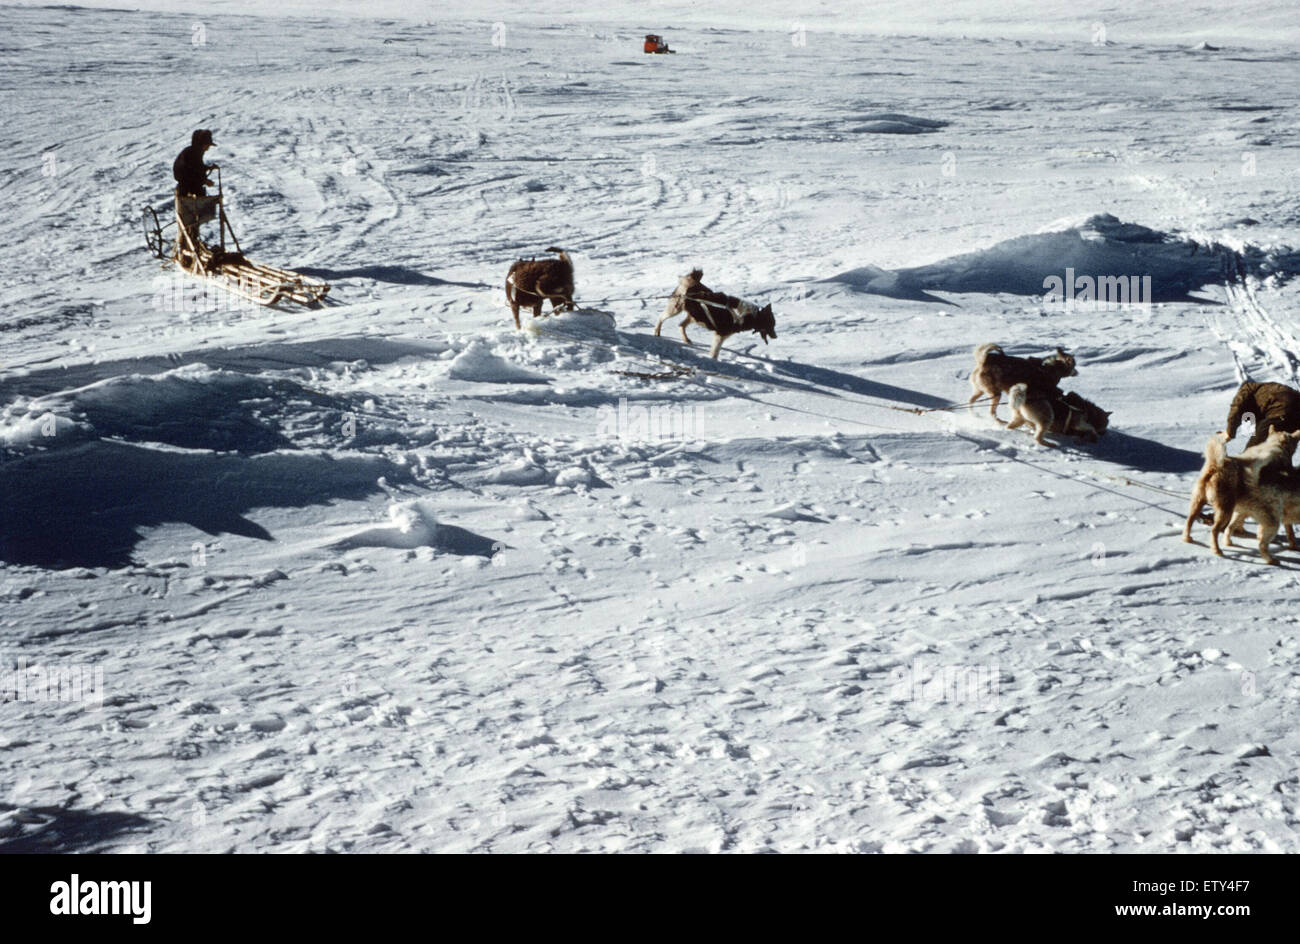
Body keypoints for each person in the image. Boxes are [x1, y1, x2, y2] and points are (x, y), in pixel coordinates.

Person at [173, 129, 219, 261]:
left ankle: (192, 248)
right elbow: (189, 173)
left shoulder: (193, 153)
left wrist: (207, 169)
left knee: (192, 223)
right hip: (186, 192)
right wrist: (204, 180)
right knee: (189, 223)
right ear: (201, 144)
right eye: (207, 145)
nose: (208, 148)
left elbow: (196, 169)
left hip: (190, 190)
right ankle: (186, 253)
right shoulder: (191, 155)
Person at [1225, 379, 1300, 447]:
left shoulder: (1246, 389)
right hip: (1295, 408)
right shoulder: (1262, 393)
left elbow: (1236, 408)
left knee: (1252, 450)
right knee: (1283, 448)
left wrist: (1229, 432)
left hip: (1281, 408)